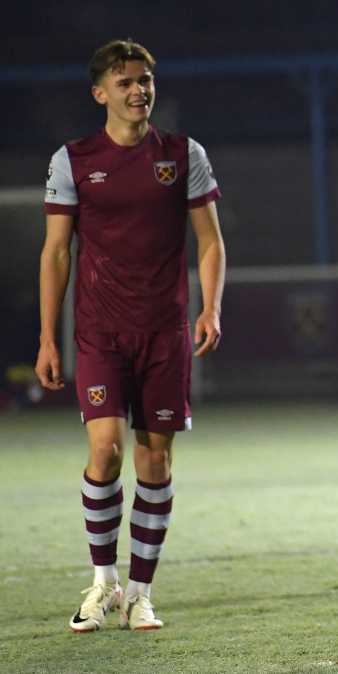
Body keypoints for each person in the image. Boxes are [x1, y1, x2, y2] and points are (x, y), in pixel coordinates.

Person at [36, 38, 226, 633]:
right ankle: (103, 584)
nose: (139, 90)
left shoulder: (182, 154)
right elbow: (57, 252)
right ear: (101, 94)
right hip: (98, 333)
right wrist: (47, 338)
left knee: (155, 460)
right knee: (106, 450)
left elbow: (211, 240)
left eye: (145, 80)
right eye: (125, 83)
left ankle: (140, 593)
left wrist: (211, 307)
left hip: (164, 332)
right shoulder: (72, 159)